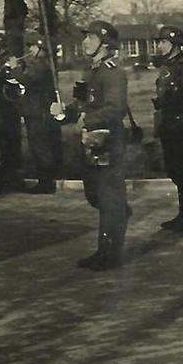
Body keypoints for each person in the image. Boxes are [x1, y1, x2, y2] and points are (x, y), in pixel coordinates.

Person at [51, 20, 129, 271]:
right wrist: (64, 112)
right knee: (95, 195)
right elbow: (80, 103)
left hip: (108, 142)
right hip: (91, 143)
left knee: (108, 198)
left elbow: (116, 109)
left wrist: (89, 119)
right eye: (86, 37)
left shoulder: (113, 72)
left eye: (91, 38)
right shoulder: (90, 71)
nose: (85, 42)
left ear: (104, 44)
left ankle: (109, 253)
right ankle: (117, 218)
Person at [152, 25, 183, 231]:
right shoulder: (167, 65)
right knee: (174, 170)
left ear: (174, 44)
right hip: (168, 124)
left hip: (182, 127)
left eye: (163, 42)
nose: (160, 46)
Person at [11, 33, 62, 194]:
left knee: (40, 146)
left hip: (38, 112)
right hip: (35, 111)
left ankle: (46, 182)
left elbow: (26, 80)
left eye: (33, 47)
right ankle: (44, 180)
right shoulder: (39, 65)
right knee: (37, 146)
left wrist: (15, 68)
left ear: (41, 49)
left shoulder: (40, 66)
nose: (30, 50)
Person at [0, 33, 25, 193]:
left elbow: (8, 82)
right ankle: (9, 177)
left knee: (8, 145)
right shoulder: (1, 61)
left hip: (6, 108)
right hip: (4, 108)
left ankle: (10, 179)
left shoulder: (6, 62)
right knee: (7, 145)